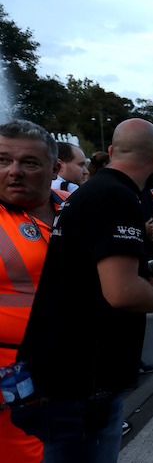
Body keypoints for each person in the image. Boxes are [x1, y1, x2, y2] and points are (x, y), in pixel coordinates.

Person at [16, 118, 153, 462]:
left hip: (65, 372)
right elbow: (122, 292)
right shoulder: (117, 197)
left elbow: (90, 275)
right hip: (84, 378)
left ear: (111, 151)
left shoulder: (92, 193)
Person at [0, 120, 67, 463]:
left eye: (29, 162)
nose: (14, 172)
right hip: (12, 379)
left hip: (74, 372)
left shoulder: (77, 206)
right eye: (2, 160)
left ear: (54, 168)